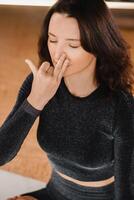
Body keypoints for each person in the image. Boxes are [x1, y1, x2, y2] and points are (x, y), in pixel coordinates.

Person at [0, 0, 134, 199]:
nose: (58, 53)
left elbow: (126, 190)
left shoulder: (120, 105)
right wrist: (35, 101)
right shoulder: (39, 84)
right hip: (55, 192)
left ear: (98, 45)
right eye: (53, 40)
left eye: (73, 44)